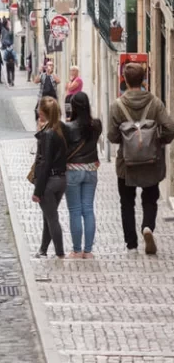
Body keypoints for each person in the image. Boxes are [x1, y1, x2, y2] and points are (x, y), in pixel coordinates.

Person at [108, 61, 174, 254]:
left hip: (126, 164)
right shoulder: (154, 102)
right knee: (150, 198)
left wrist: (127, 139)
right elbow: (170, 127)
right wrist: (158, 141)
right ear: (144, 79)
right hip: (151, 161)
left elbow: (112, 136)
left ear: (125, 81)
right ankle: (147, 227)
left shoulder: (117, 105)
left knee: (127, 202)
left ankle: (131, 245)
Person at [64, 92, 102, 258]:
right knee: (88, 209)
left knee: (75, 211)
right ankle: (88, 251)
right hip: (91, 171)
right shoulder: (97, 125)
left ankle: (77, 250)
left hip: (72, 171)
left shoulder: (68, 128)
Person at [32, 96, 68, 260]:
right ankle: (43, 249)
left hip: (49, 182)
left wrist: (37, 190)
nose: (38, 112)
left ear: (43, 113)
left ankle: (60, 252)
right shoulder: (60, 129)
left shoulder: (47, 134)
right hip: (61, 180)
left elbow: (45, 163)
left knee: (52, 218)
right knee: (48, 215)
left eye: (39, 110)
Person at [34, 60, 60, 127]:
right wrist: (40, 71)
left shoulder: (54, 75)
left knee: (56, 111)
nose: (49, 67)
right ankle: (39, 124)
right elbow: (35, 81)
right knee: (37, 110)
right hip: (43, 97)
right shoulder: (43, 75)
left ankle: (55, 124)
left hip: (52, 98)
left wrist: (51, 73)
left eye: (51, 65)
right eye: (48, 65)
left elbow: (58, 81)